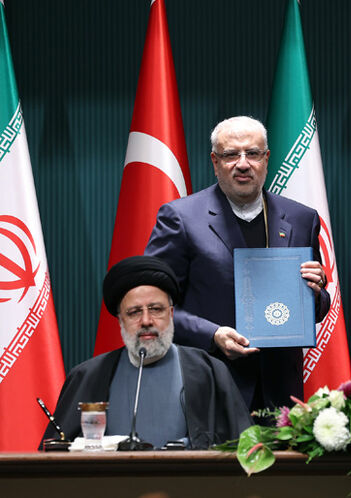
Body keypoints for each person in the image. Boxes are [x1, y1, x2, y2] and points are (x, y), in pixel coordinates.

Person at [145, 116, 330, 412]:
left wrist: (316, 292)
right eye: (231, 154)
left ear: (266, 159)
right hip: (209, 385)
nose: (243, 164)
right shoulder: (180, 218)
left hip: (280, 391)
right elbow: (152, 305)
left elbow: (317, 308)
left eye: (252, 153)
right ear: (215, 162)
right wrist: (212, 335)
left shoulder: (301, 218)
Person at [40, 256, 250, 450]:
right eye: (134, 312)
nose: (147, 321)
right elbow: (54, 456)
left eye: (156, 309)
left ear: (171, 313)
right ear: (120, 321)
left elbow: (245, 451)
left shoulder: (209, 371)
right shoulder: (87, 376)